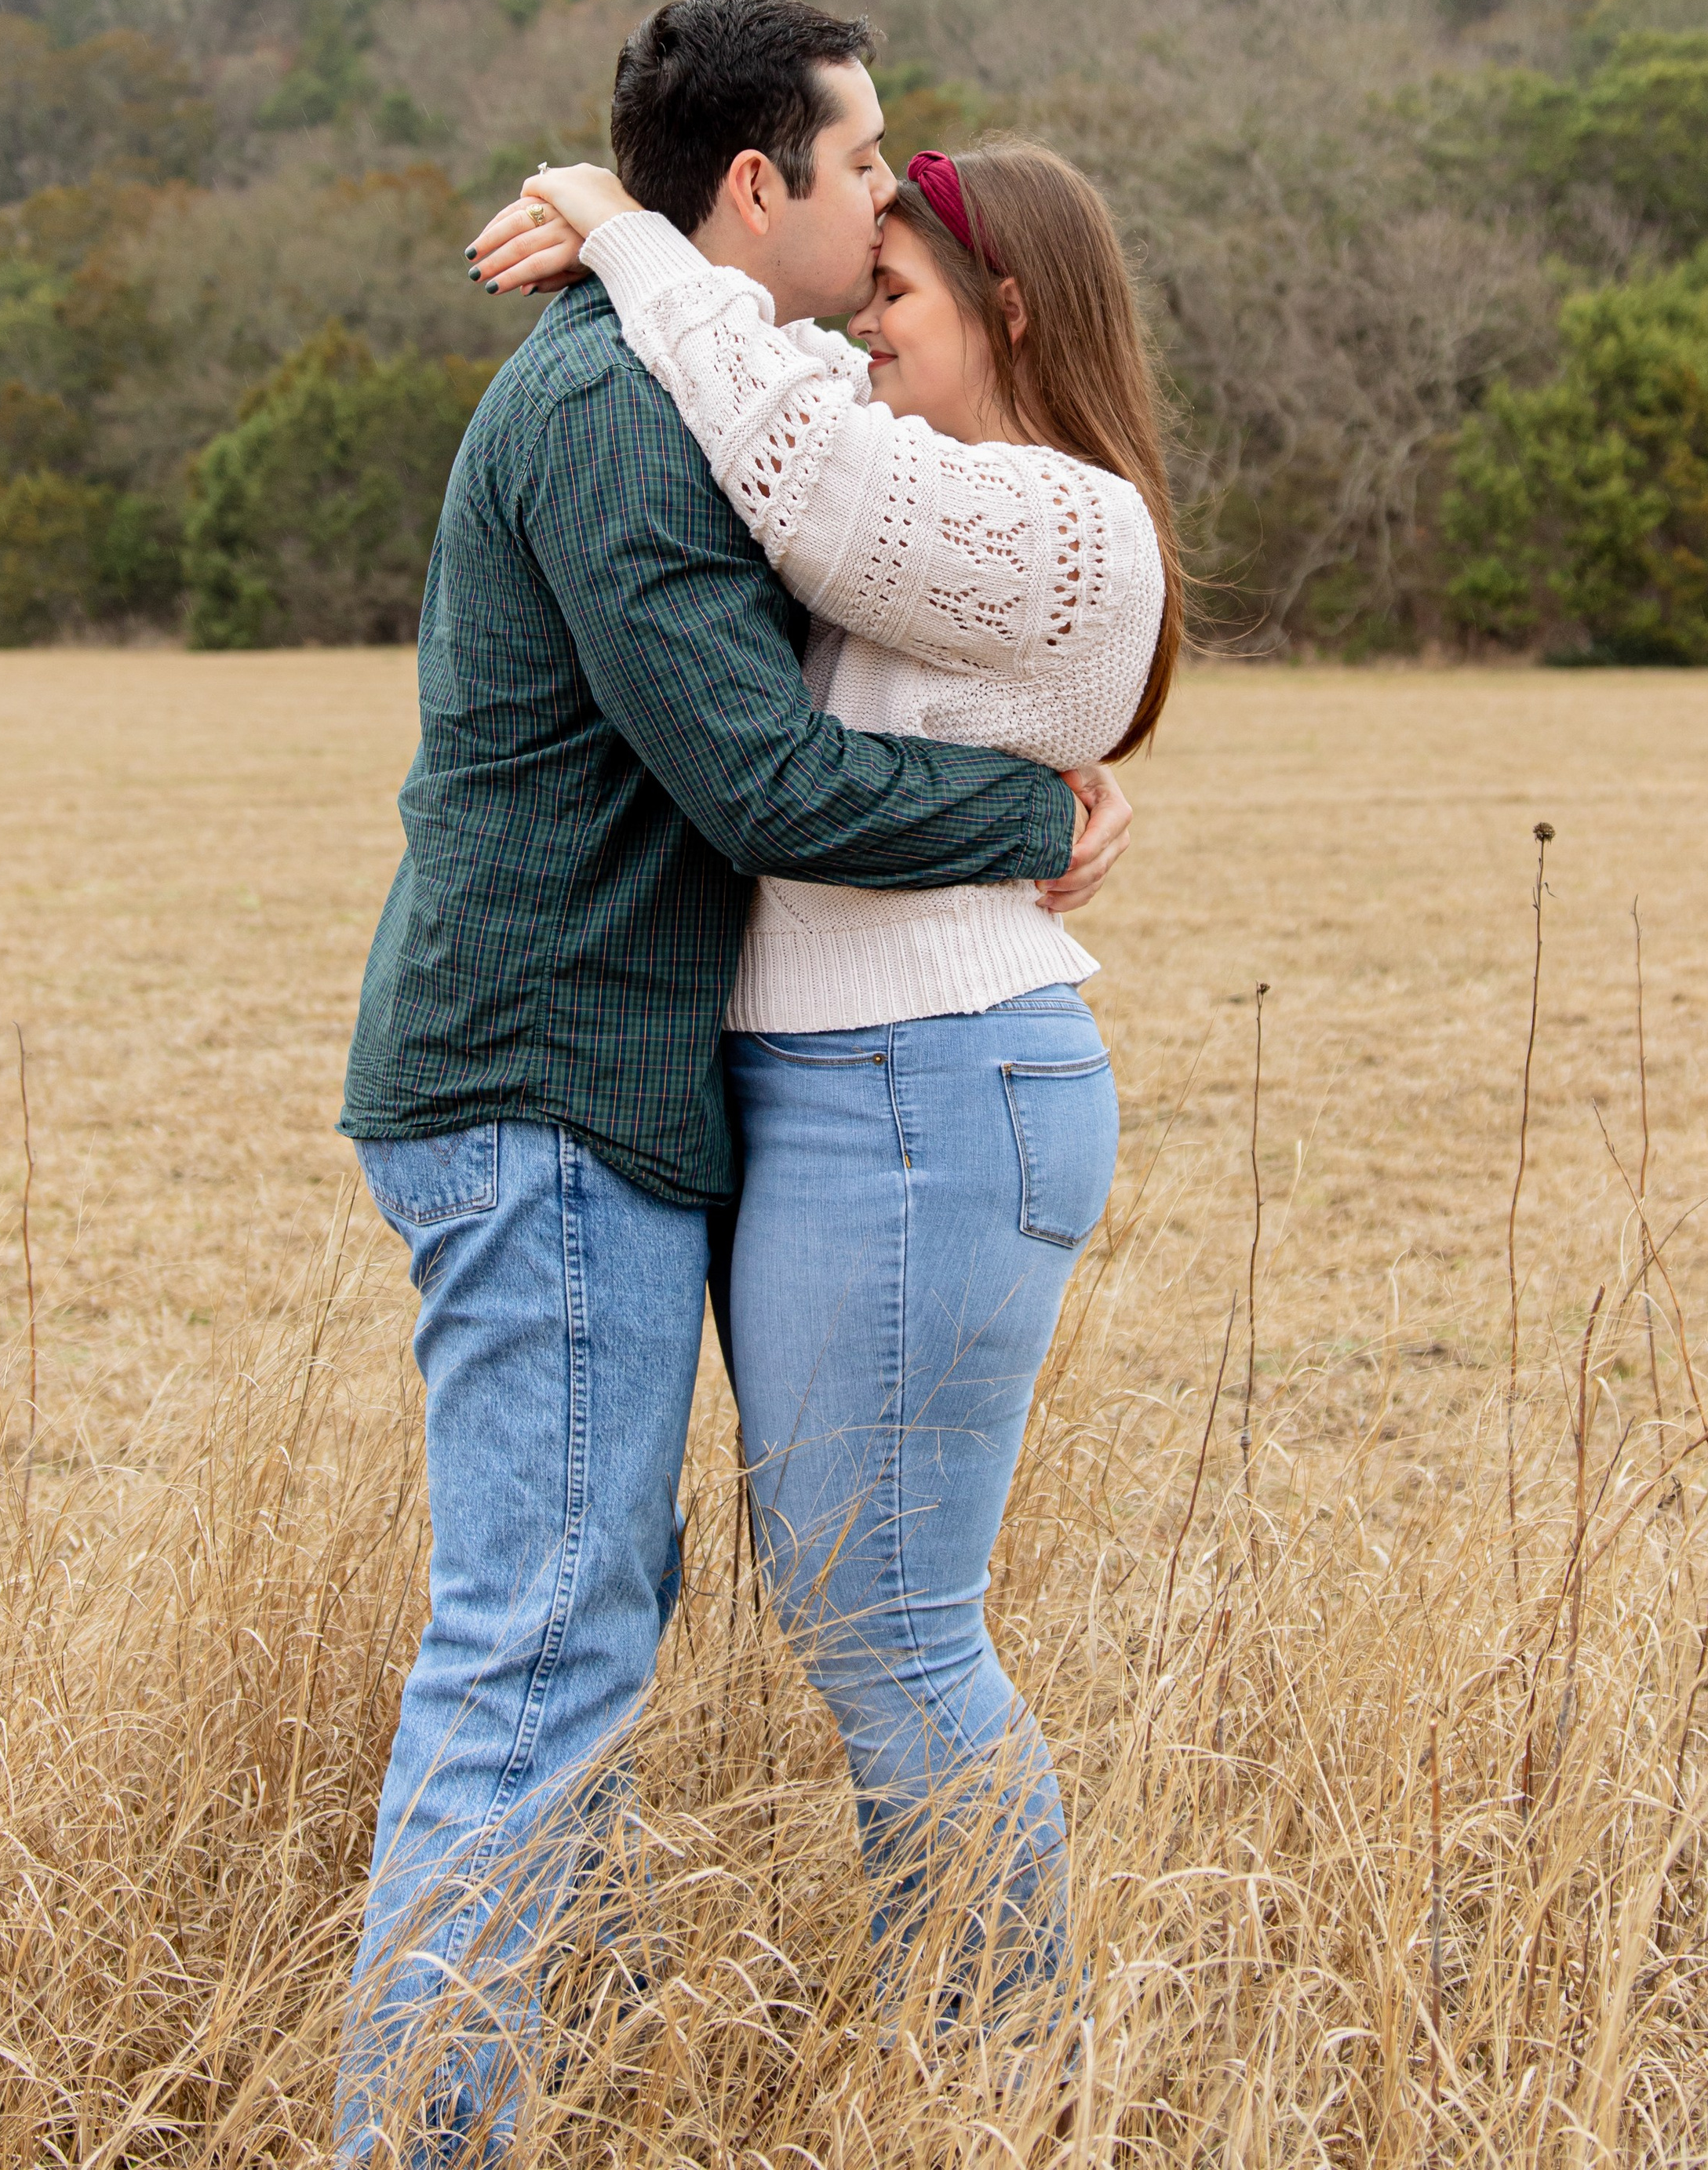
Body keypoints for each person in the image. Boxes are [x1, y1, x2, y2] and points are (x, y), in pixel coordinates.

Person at [335, 0, 1133, 2162]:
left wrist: (606, 213)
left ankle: (550, 2087)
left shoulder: (694, 369)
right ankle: (430, 2135)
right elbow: (762, 777)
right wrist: (1033, 812)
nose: (886, 201)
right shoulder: (617, 401)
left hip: (600, 1081)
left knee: (582, 1620)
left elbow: (876, 496)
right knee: (541, 1641)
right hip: (542, 1080)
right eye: (864, 164)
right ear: (759, 184)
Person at [471, 124, 1182, 2028]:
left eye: (895, 295)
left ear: (1009, 308)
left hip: (925, 1082)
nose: (857, 331)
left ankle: (997, 2075)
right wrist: (648, 232)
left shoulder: (1063, 518)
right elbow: (769, 380)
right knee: (850, 1614)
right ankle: (972, 2050)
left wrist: (623, 226)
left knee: (888, 1629)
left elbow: (791, 455)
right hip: (846, 1081)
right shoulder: (926, 471)